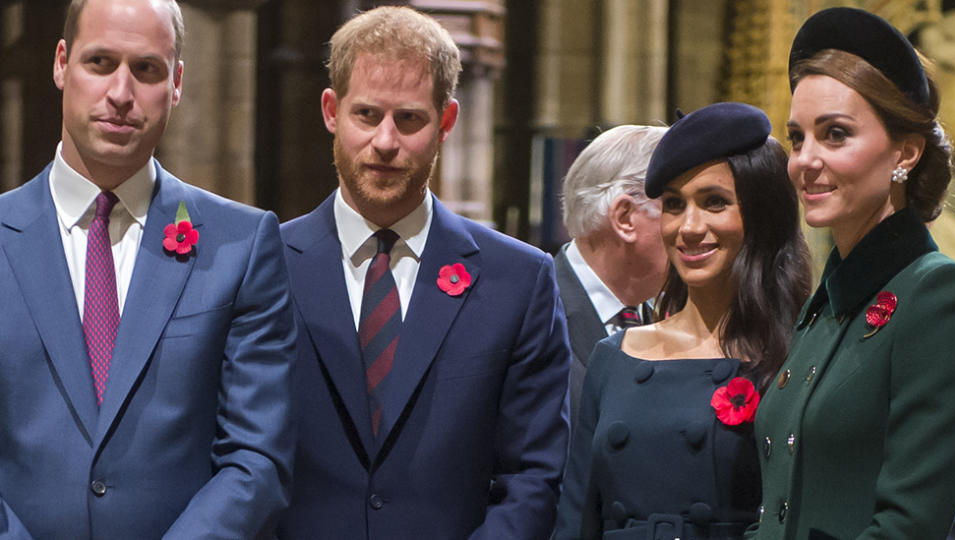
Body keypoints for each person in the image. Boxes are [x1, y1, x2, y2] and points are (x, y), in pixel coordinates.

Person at [0, 0, 297, 538]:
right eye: (100, 62)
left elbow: (256, 457)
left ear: (177, 81)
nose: (120, 93)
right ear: (61, 63)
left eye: (146, 69)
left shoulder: (242, 245)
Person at [276, 6, 570, 540]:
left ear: (447, 121)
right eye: (366, 115)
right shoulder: (264, 266)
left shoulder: (519, 281)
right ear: (331, 111)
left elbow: (533, 477)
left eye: (409, 119)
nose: (385, 142)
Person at [554, 102, 810, 540]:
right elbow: (577, 517)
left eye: (715, 202)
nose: (689, 227)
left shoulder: (801, 350)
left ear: (762, 215)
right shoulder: (615, 356)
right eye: (673, 204)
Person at [751, 7, 955, 539]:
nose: (806, 160)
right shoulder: (823, 304)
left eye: (836, 134)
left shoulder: (935, 295)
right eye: (798, 138)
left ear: (905, 153)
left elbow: (908, 526)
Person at [556, 125, 669, 433]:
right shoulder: (530, 312)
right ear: (625, 218)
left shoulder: (670, 318)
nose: (693, 226)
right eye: (676, 206)